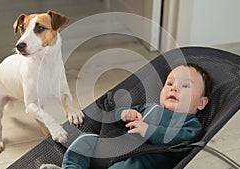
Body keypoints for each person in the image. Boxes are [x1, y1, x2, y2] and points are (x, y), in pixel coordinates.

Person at [40, 63, 212, 169]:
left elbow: (185, 137)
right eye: (170, 83)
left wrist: (149, 130)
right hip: (116, 147)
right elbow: (117, 116)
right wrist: (124, 113)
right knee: (84, 141)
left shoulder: (190, 123)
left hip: (142, 160)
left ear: (201, 103)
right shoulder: (150, 108)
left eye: (186, 86)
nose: (174, 88)